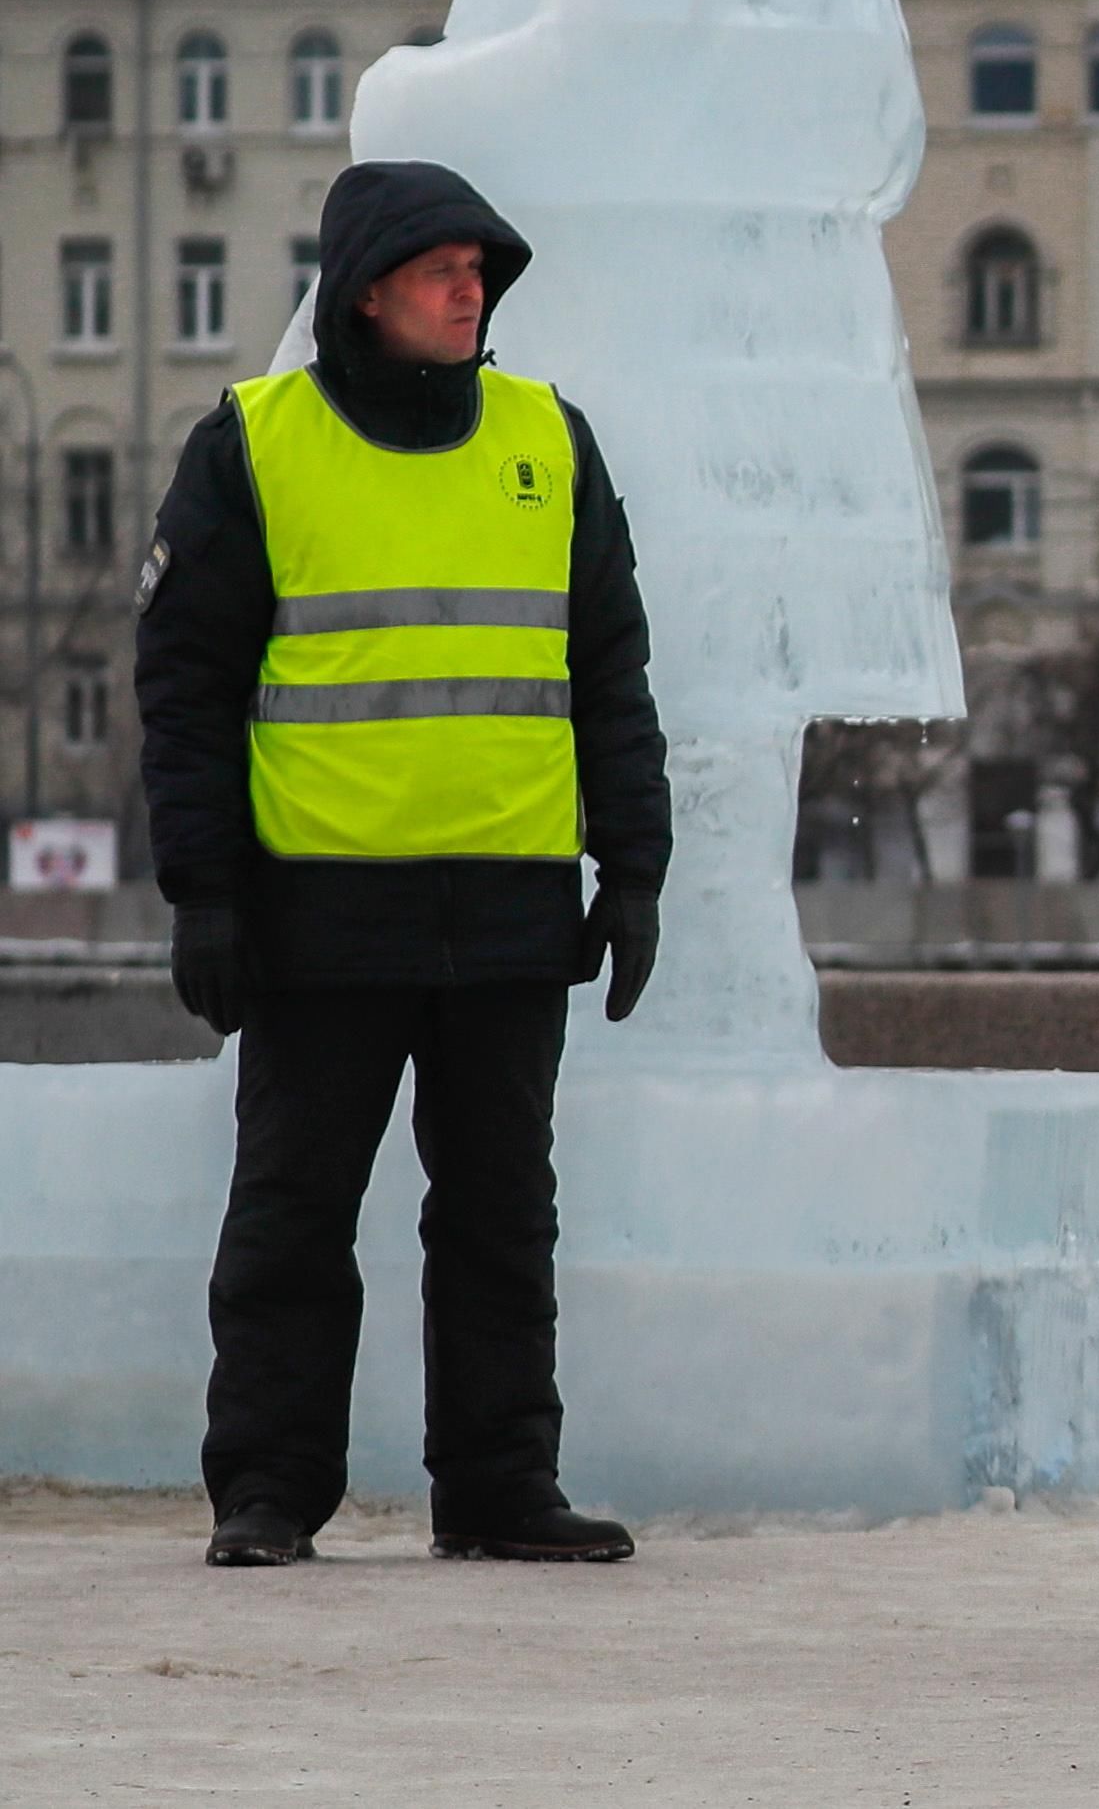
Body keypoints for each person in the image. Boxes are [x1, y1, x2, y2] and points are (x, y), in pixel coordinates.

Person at [140, 160, 673, 1569]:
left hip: (508, 917)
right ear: (365, 289)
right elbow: (184, 691)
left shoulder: (547, 441)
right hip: (321, 916)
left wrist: (634, 869)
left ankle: (501, 1489)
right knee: (293, 1219)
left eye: (481, 267)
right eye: (442, 267)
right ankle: (267, 1491)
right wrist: (201, 891)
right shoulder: (256, 445)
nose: (470, 287)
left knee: (503, 1220)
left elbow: (608, 672)